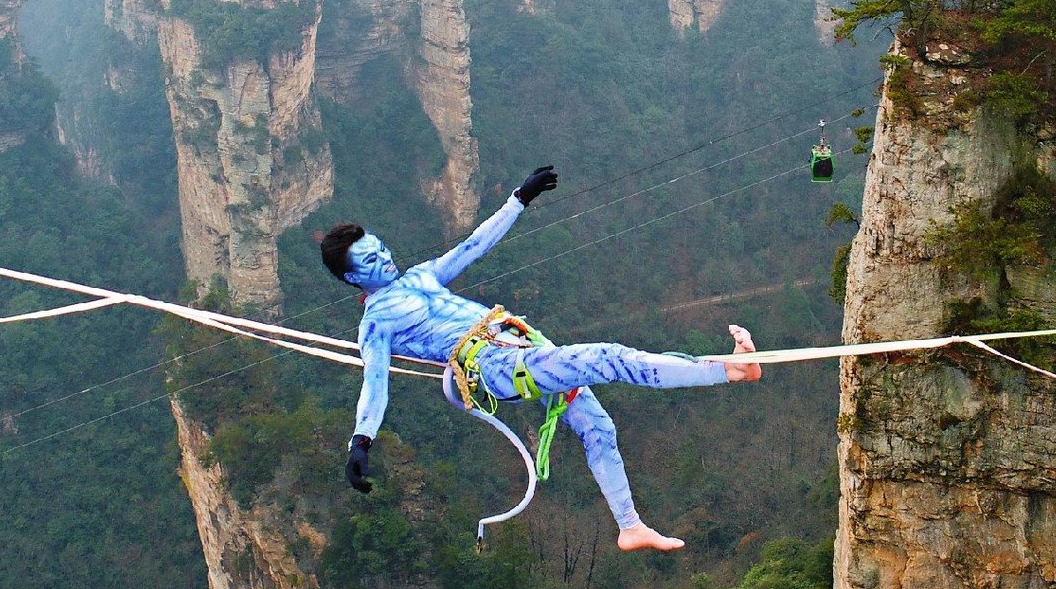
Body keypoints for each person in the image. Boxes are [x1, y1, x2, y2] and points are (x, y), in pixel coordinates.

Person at [320, 165, 762, 552]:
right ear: (353, 277)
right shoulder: (376, 323)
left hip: (521, 343)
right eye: (370, 260)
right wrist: (360, 442)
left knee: (597, 425)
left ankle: (630, 527)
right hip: (496, 367)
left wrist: (519, 199)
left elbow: (473, 246)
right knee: (607, 358)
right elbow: (375, 383)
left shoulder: (421, 276)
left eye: (380, 248)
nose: (384, 258)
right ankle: (731, 371)